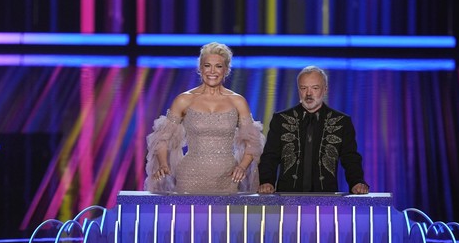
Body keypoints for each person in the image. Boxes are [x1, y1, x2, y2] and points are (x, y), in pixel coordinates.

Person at [144, 42, 265, 194]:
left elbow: (253, 142)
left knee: (224, 218)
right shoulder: (184, 100)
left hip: (227, 178)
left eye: (218, 66)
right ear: (200, 68)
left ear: (226, 70)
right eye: (207, 65)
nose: (212, 71)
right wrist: (163, 163)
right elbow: (162, 138)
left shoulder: (237, 101)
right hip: (190, 177)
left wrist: (242, 166)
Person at [258, 66, 369, 194]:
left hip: (326, 198)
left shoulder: (341, 121)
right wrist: (267, 181)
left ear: (325, 89)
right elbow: (270, 156)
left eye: (315, 88)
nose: (309, 94)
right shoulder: (281, 119)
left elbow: (350, 158)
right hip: (288, 198)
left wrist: (357, 182)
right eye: (303, 88)